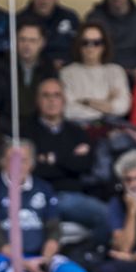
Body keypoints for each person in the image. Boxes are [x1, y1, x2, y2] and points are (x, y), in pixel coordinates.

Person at [23, 78, 107, 242]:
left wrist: (51, 158)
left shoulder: (77, 131)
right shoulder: (26, 131)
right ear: (37, 100)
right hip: (39, 196)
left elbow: (85, 165)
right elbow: (32, 169)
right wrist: (68, 157)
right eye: (46, 96)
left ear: (64, 100)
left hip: (73, 194)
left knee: (108, 216)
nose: (51, 100)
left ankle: (89, 256)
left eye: (56, 95)